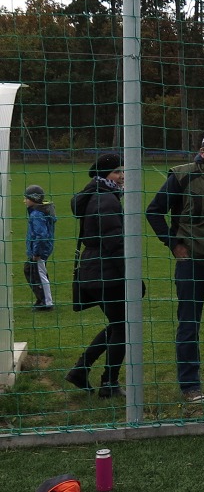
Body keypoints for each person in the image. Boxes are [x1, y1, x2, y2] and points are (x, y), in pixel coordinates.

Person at [145, 132, 204, 403]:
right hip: (192, 264)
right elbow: (154, 211)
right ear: (203, 151)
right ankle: (190, 386)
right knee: (189, 326)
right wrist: (173, 243)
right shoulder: (181, 176)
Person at [65, 153, 128, 398]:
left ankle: (81, 370)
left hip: (95, 269)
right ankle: (109, 382)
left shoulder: (98, 196)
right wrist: (130, 277)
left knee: (118, 324)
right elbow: (114, 242)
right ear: (104, 176)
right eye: (116, 172)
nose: (122, 176)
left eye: (122, 171)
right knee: (123, 327)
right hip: (106, 272)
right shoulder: (106, 200)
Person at [23, 184, 57, 311]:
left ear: (34, 198)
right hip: (41, 249)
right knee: (31, 270)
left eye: (26, 198)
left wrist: (36, 252)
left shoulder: (36, 214)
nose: (24, 201)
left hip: (39, 251)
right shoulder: (39, 212)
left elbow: (41, 235)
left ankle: (46, 302)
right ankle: (42, 298)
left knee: (39, 274)